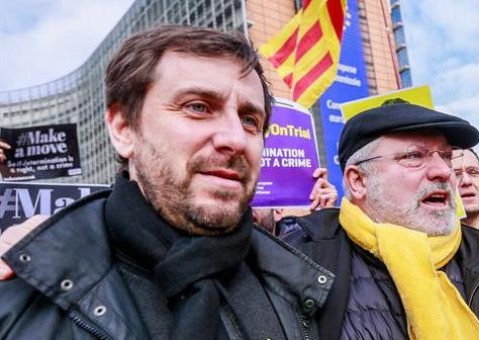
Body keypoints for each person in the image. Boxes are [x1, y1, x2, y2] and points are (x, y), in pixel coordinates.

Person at [0, 25, 333, 339]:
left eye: (249, 120)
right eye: (198, 107)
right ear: (123, 129)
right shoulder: (21, 301)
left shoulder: (304, 287)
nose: (235, 138)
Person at [281, 103, 479, 339]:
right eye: (414, 156)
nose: (443, 171)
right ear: (358, 182)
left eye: (445, 156)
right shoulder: (296, 270)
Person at [253, 167, 338, 235]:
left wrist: (327, 224)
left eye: (255, 196)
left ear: (277, 211)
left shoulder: (304, 250)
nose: (246, 206)